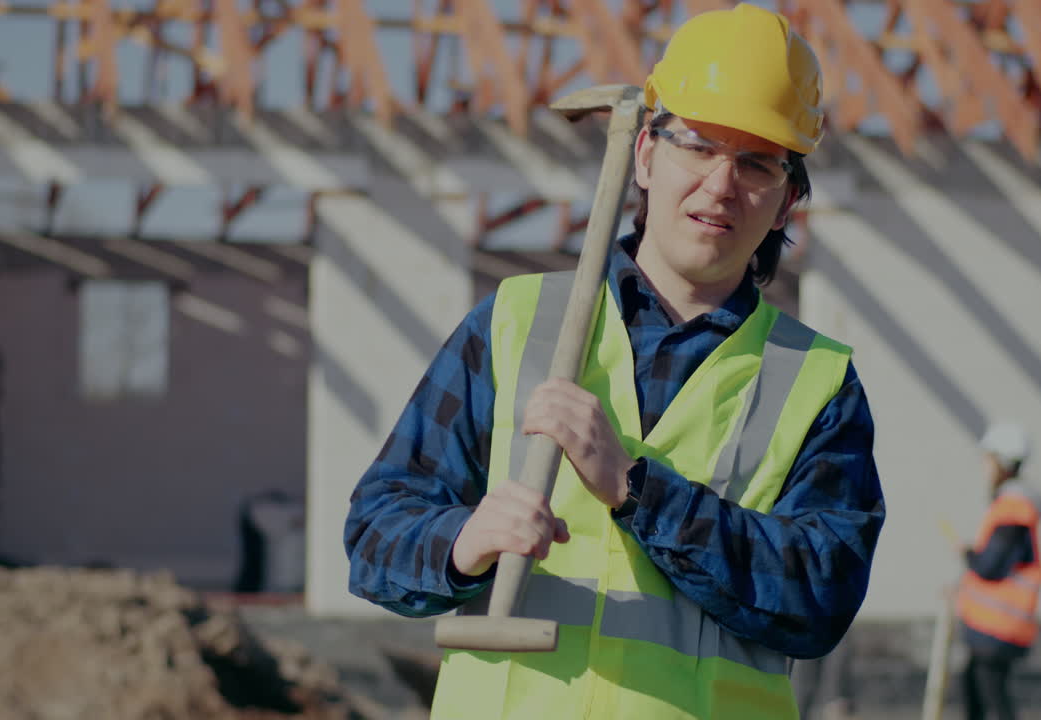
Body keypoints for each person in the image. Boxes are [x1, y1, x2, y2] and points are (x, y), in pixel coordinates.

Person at [345, 5, 885, 718]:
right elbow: (375, 533)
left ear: (786, 199)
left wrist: (635, 488)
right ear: (645, 155)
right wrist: (462, 540)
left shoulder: (816, 384)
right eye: (698, 145)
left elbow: (820, 594)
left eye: (755, 162)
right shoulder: (513, 325)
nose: (721, 185)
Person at [956, 422, 1041, 720]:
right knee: (978, 694)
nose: (985, 467)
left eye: (989, 459)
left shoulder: (1013, 510)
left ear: (1003, 464)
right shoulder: (1013, 507)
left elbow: (991, 566)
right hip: (993, 628)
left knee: (991, 699)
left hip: (998, 628)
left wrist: (969, 555)